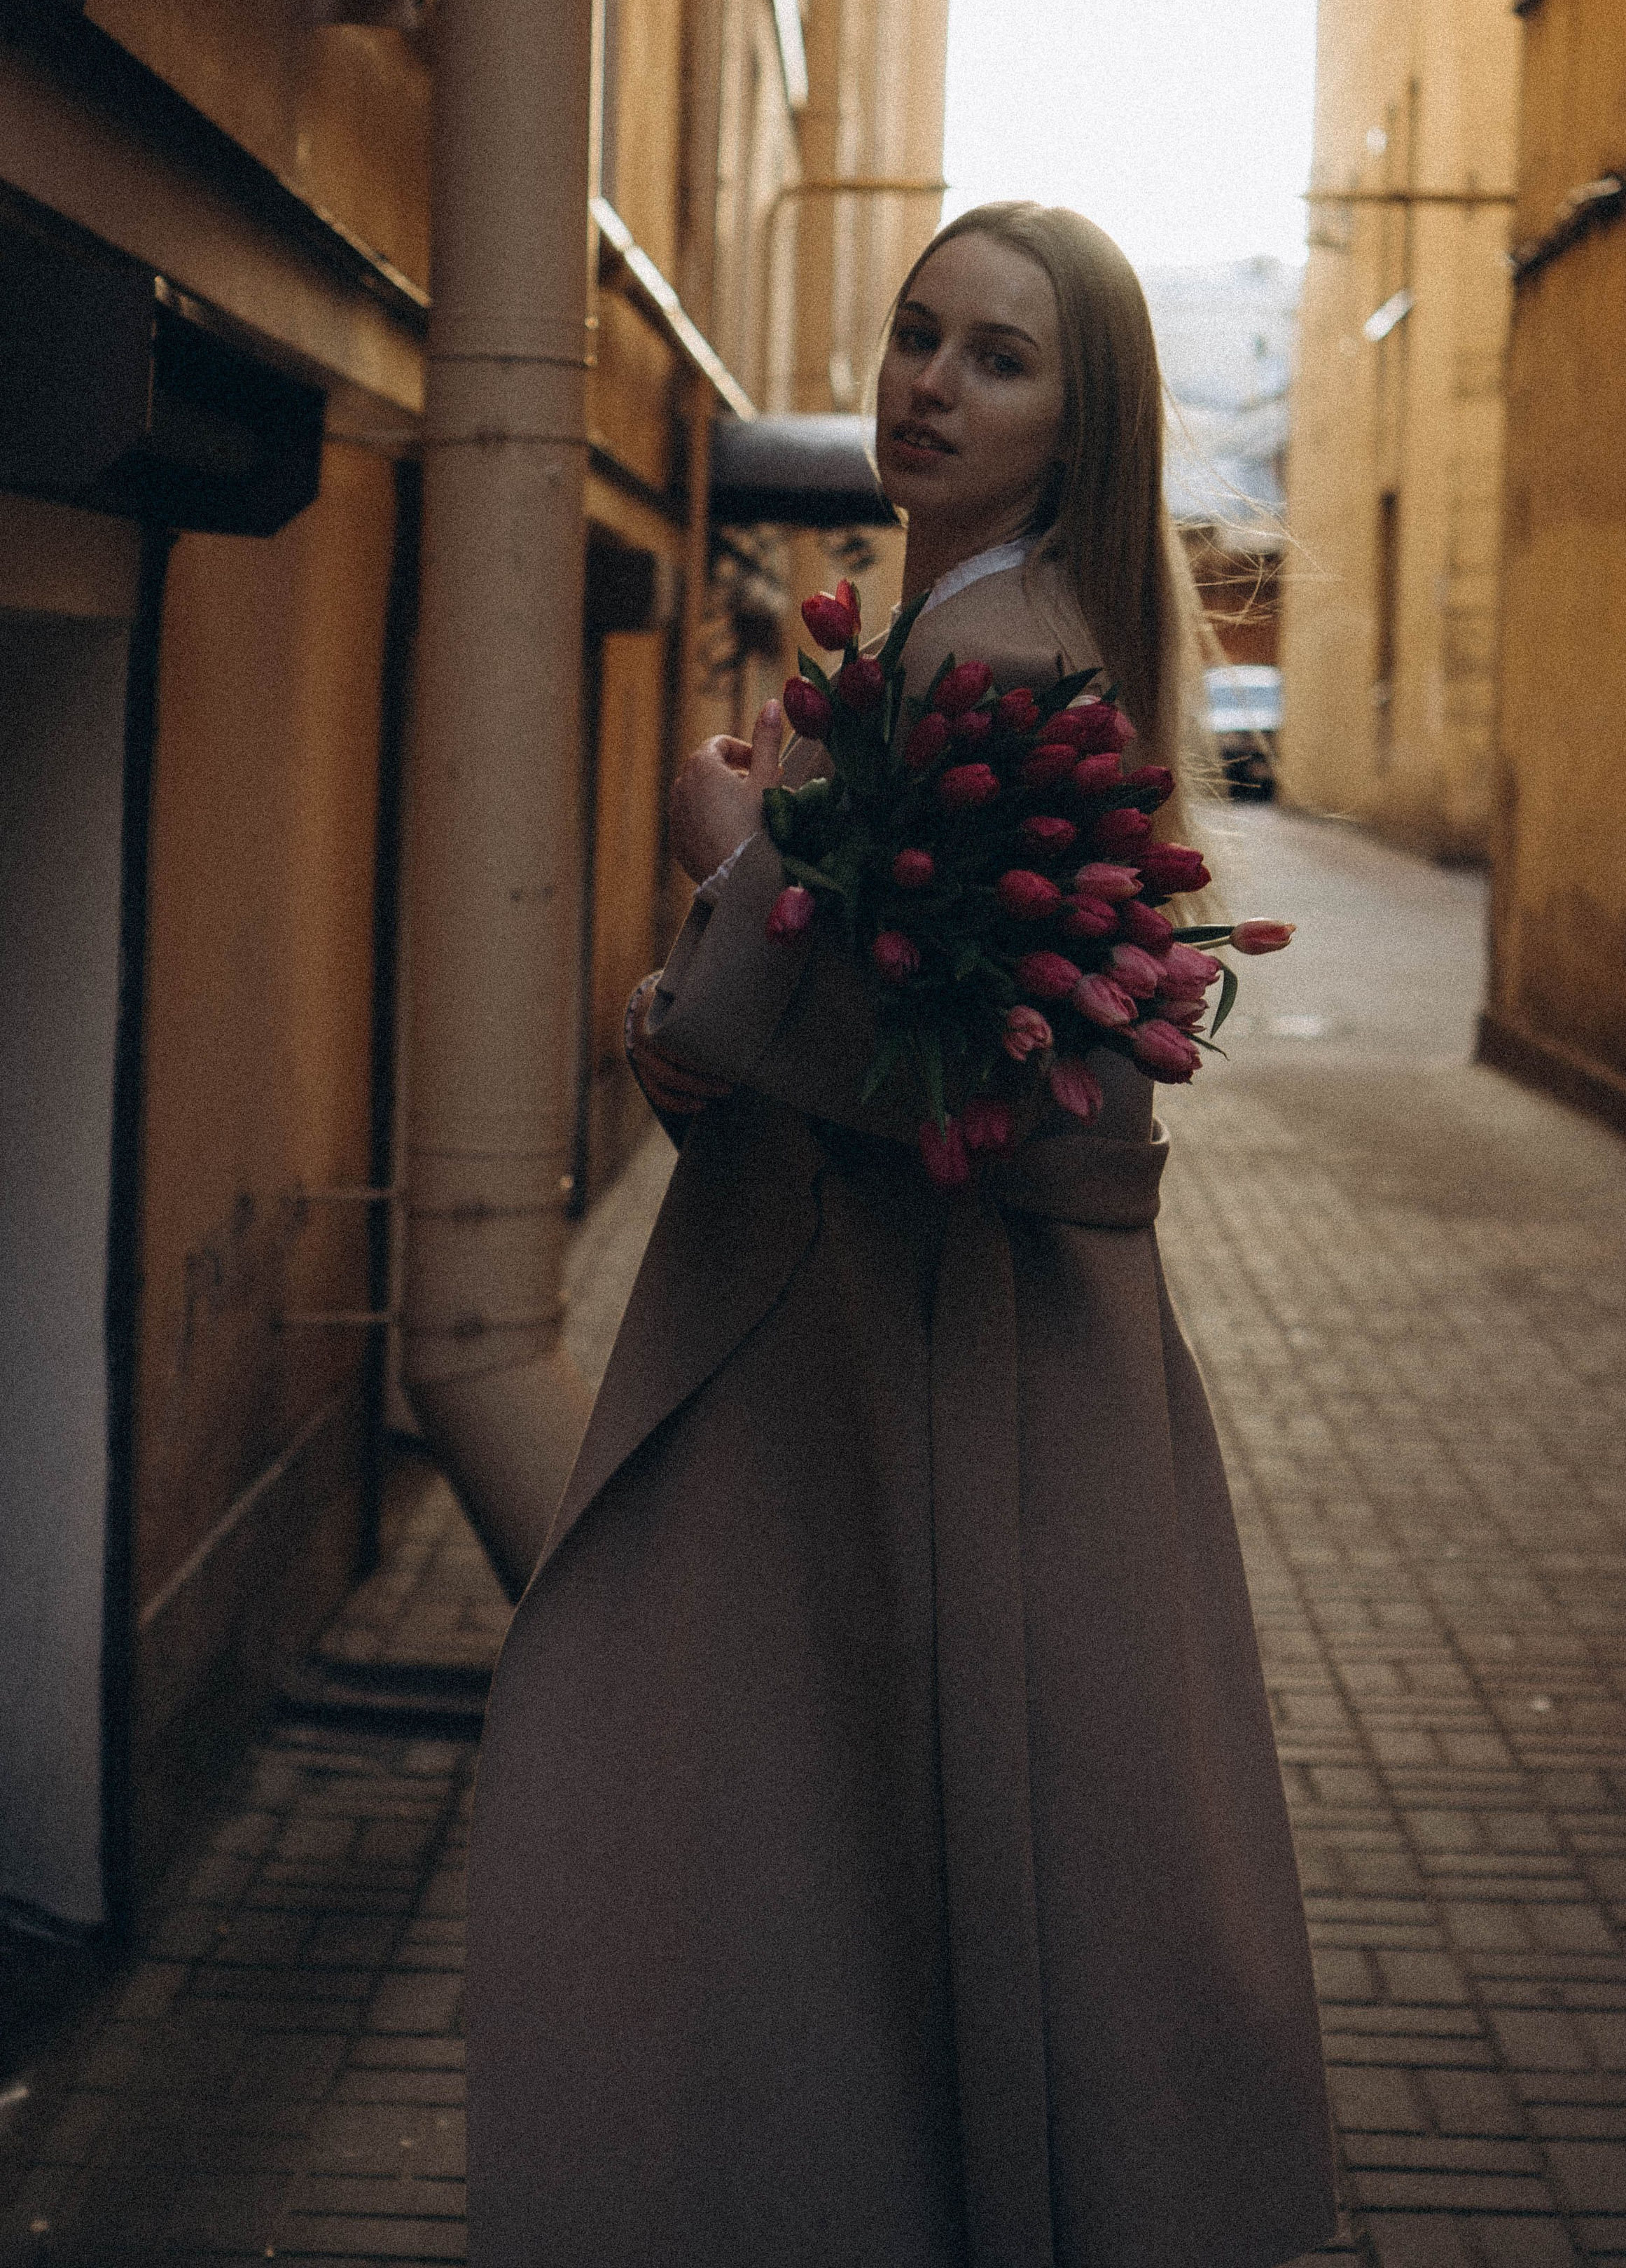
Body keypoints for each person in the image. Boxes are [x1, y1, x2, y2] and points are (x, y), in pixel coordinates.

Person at [464, 204, 1336, 2268]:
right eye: (919, 332)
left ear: (1081, 420)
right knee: (906, 1852)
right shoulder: (988, 635)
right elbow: (915, 1029)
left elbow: (995, 1093)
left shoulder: (988, 651)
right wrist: (732, 957)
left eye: (998, 358)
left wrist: (724, 864)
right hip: (922, 1351)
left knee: (876, 1832)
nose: (929, 381)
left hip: (921, 1367)